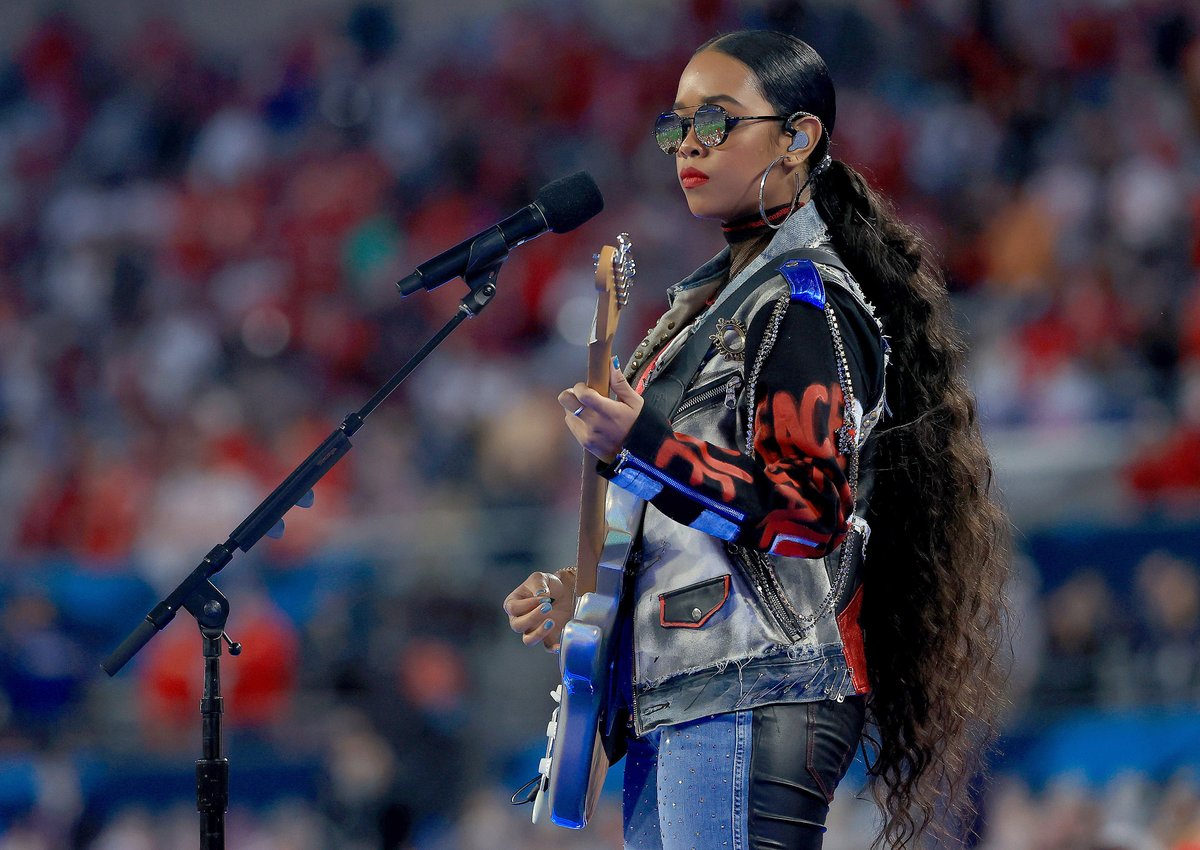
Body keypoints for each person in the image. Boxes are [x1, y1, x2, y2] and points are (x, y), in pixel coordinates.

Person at [504, 29, 1009, 850]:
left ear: (798, 137)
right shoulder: (710, 309)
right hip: (684, 691)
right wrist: (587, 595)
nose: (688, 148)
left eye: (716, 122)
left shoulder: (799, 303)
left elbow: (809, 513)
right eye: (676, 128)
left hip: (755, 682)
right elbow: (691, 526)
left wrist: (646, 442)